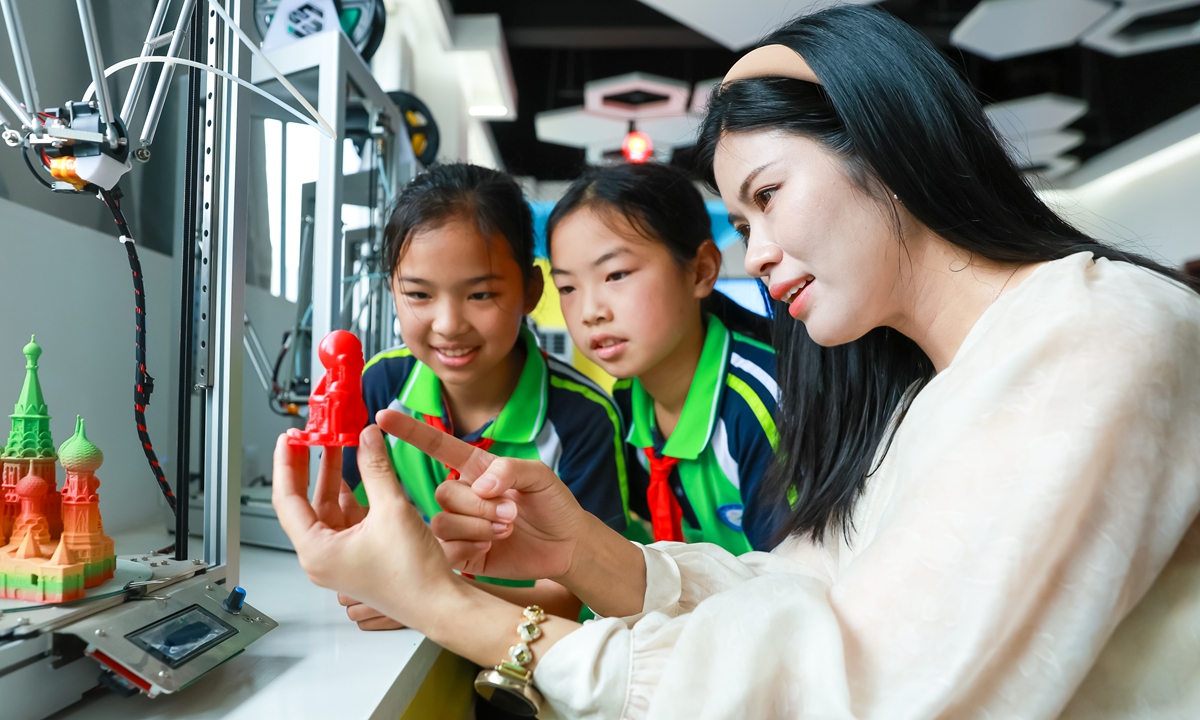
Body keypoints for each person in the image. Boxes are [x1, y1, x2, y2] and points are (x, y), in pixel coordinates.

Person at [273, 6, 1200, 719]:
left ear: (888, 141)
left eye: (766, 197)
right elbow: (809, 590)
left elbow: (862, 692)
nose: (755, 256)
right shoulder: (920, 389)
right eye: (743, 221)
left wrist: (452, 608)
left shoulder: (1097, 333)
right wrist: (590, 555)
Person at [336, 163, 632, 629]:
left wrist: (427, 595)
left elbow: (586, 598)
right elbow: (345, 512)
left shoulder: (584, 418)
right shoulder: (380, 384)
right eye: (418, 294)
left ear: (531, 290)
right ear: (391, 289)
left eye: (480, 295)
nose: (449, 324)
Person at [546, 163, 781, 552]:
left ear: (701, 270)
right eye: (567, 286)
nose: (590, 311)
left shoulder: (761, 401)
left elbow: (797, 581)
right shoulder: (623, 408)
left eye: (616, 275)